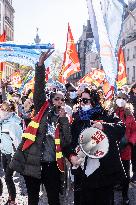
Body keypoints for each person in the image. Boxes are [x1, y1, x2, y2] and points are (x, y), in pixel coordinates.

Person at [10, 50, 71, 205]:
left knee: (53, 200)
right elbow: (39, 87)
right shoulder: (41, 109)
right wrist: (40, 65)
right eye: (56, 98)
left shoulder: (63, 117)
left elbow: (65, 143)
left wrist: (64, 120)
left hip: (51, 166)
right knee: (33, 200)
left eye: (62, 100)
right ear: (50, 100)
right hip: (33, 163)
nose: (59, 101)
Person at [68, 88, 126, 205]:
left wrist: (103, 126)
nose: (82, 103)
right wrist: (71, 156)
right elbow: (69, 142)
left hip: (103, 173)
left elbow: (121, 128)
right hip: (83, 173)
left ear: (94, 101)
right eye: (81, 100)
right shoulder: (77, 118)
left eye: (85, 100)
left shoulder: (106, 114)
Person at [112, 91, 136, 205]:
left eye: (123, 98)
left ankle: (125, 195)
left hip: (126, 149)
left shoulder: (129, 114)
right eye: (119, 97)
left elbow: (134, 131)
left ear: (127, 100)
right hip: (113, 149)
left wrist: (130, 142)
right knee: (112, 173)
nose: (121, 99)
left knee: (126, 174)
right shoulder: (112, 112)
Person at [0, 101, 22, 205]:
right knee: (7, 177)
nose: (2, 110)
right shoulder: (2, 121)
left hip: (12, 155)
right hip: (4, 152)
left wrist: (16, 157)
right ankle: (10, 197)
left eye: (5, 109)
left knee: (8, 177)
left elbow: (18, 142)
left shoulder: (13, 124)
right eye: (2, 108)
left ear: (11, 110)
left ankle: (12, 201)